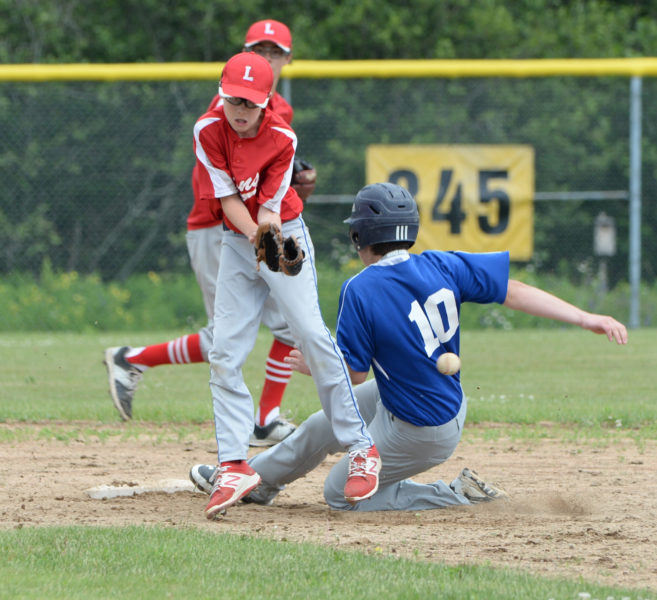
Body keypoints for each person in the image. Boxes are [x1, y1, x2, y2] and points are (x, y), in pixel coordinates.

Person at [189, 182, 628, 512]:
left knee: (340, 495)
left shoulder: (361, 289)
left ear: (360, 237)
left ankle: (457, 495)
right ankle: (257, 481)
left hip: (421, 427)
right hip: (422, 401)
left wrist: (315, 367)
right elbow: (511, 290)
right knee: (324, 424)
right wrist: (586, 317)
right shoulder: (441, 263)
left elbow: (352, 376)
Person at [104, 20, 315, 448]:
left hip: (252, 230)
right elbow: (231, 196)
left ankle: (264, 417)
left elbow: (270, 186)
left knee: (286, 328)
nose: (266, 58)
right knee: (230, 336)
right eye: (259, 49)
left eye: (275, 53)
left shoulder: (279, 116)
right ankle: (133, 360)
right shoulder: (223, 115)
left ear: (287, 61)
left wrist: (292, 189)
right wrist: (264, 232)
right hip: (217, 228)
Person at [194, 52, 380, 519]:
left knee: (311, 333)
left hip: (284, 230)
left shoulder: (281, 136)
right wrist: (255, 238)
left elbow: (271, 210)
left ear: (266, 102)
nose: (241, 110)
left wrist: (270, 238)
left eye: (251, 103)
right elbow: (229, 201)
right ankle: (234, 464)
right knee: (225, 350)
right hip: (239, 241)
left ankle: (361, 447)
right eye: (235, 99)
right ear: (222, 92)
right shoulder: (207, 130)